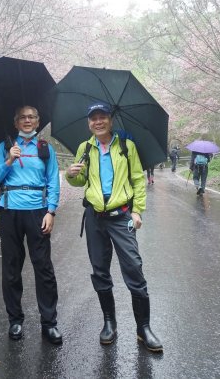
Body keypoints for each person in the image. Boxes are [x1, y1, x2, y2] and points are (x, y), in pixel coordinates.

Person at [65, 102, 163, 352]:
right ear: (89, 123)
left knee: (133, 268)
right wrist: (71, 174)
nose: (98, 122)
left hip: (121, 216)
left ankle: (144, 328)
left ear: (110, 120)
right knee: (100, 270)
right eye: (93, 118)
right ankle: (109, 322)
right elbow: (80, 182)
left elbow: (138, 181)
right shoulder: (84, 148)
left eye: (102, 117)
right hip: (94, 216)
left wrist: (138, 211)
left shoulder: (126, 146)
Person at [0, 105, 62, 344]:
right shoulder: (4, 147)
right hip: (10, 210)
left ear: (38, 122)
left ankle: (49, 323)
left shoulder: (45, 149)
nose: (27, 120)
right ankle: (15, 321)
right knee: (11, 268)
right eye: (23, 117)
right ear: (16, 121)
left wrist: (51, 211)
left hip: (38, 212)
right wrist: (9, 160)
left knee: (44, 268)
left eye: (31, 117)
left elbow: (53, 181)